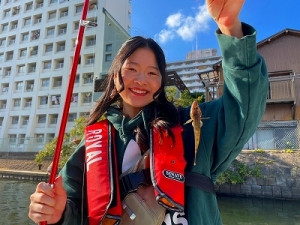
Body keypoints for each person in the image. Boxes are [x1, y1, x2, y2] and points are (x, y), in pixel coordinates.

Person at [28, 0, 269, 224]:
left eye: (152, 73)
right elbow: (73, 209)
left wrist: (230, 27)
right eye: (132, 69)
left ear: (161, 83)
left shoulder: (187, 126)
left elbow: (243, 106)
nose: (141, 79)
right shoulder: (92, 145)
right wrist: (56, 212)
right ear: (115, 77)